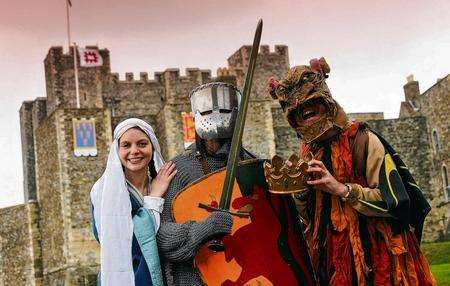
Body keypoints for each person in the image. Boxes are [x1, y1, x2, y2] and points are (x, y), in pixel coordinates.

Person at [268, 58, 436, 285]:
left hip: (380, 261)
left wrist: (342, 189)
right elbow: (313, 219)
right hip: (334, 264)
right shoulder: (310, 153)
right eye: (298, 111)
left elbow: (394, 202)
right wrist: (300, 192)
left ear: (325, 102)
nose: (303, 111)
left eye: (310, 105)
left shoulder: (363, 140)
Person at [156, 82, 256, 285]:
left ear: (237, 114)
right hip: (198, 276)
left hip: (247, 274)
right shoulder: (180, 168)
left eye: (226, 109)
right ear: (195, 115)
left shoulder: (252, 165)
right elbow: (163, 236)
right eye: (208, 110)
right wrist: (204, 229)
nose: (217, 116)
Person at [90, 118, 177, 286]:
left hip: (167, 273)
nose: (134, 151)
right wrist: (154, 199)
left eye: (142, 144)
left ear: (152, 146)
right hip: (130, 276)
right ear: (117, 150)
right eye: (126, 145)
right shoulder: (103, 191)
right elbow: (117, 239)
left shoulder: (163, 182)